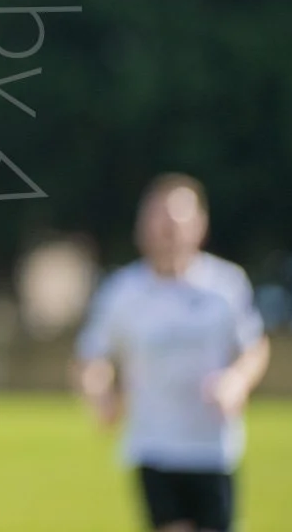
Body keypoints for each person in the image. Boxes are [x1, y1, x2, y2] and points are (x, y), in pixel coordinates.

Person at [74, 174, 270, 532]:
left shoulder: (225, 285)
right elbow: (94, 355)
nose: (166, 231)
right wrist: (100, 392)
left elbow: (254, 347)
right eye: (157, 220)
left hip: (212, 449)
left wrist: (237, 381)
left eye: (175, 222)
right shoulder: (123, 292)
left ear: (199, 225)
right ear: (142, 226)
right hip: (155, 446)